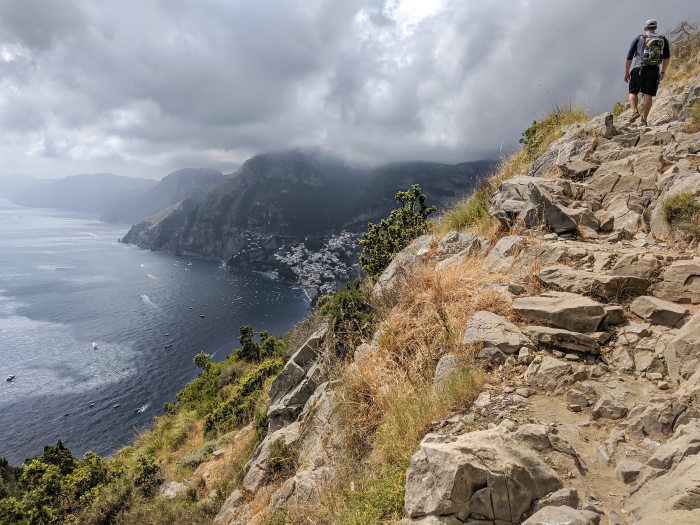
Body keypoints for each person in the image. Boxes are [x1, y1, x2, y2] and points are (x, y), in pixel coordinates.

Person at [624, 19, 671, 126]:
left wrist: (627, 71)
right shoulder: (662, 40)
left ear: (645, 28)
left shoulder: (639, 38)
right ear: (656, 28)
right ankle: (644, 120)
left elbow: (629, 57)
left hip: (638, 69)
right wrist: (662, 72)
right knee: (648, 94)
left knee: (632, 92)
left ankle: (635, 111)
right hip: (654, 70)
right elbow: (667, 58)